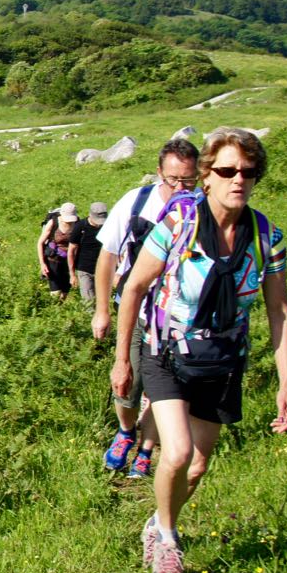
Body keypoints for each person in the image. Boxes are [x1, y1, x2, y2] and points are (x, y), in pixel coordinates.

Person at [111, 127, 287, 573]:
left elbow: (279, 310)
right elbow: (133, 287)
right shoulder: (178, 223)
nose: (239, 180)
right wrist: (122, 359)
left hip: (222, 359)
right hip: (166, 350)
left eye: (248, 172)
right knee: (177, 452)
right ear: (207, 176)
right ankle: (168, 543)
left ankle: (158, 522)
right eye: (227, 170)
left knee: (195, 468)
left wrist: (285, 384)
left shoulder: (266, 236)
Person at [95, 138, 202, 479]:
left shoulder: (204, 208)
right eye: (173, 179)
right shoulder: (136, 202)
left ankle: (146, 449)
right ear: (159, 173)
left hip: (181, 320)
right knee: (127, 382)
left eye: (188, 180)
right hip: (139, 311)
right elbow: (108, 256)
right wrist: (102, 310)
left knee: (165, 390)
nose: (180, 187)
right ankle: (126, 430)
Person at [68, 202, 107, 303]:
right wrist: (72, 274)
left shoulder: (107, 226)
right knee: (88, 302)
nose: (99, 223)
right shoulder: (80, 227)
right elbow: (71, 250)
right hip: (85, 269)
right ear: (90, 215)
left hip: (102, 268)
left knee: (102, 301)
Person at [38, 202, 78, 300]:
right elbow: (40, 243)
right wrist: (42, 264)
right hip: (53, 259)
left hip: (68, 261)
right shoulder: (53, 223)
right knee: (55, 293)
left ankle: (60, 311)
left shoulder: (78, 224)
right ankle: (53, 310)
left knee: (64, 293)